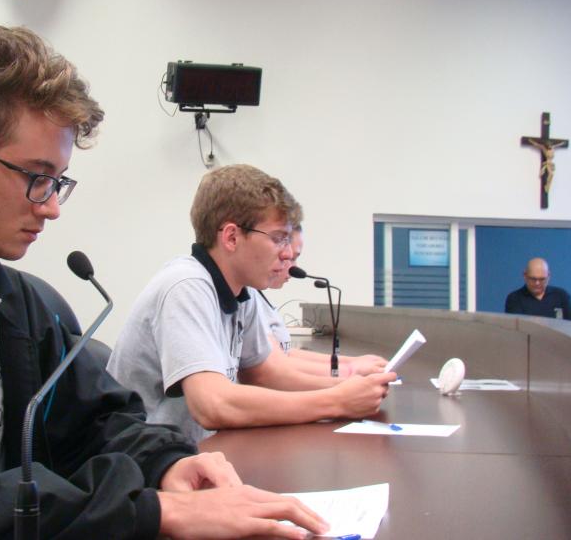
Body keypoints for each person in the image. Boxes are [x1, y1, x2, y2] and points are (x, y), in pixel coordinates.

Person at [0, 25, 326, 540]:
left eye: (57, 182)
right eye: (36, 178)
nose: (51, 208)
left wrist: (167, 464)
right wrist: (148, 511)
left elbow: (97, 422)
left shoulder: (21, 304)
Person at [107, 164, 396, 445]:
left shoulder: (240, 291)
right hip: (138, 461)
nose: (288, 254)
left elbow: (263, 372)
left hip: (188, 450)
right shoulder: (186, 286)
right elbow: (213, 404)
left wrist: (348, 388)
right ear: (232, 237)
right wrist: (336, 401)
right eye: (278, 238)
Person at [255, 226, 388, 377]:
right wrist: (349, 371)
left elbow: (284, 354)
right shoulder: (250, 301)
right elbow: (272, 369)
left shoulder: (257, 300)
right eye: (290, 258)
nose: (293, 267)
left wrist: (351, 362)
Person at [505, 257, 571, 323]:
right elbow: (515, 328)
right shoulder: (514, 298)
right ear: (525, 275)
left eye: (542, 279)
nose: (537, 283)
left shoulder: (561, 295)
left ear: (548, 276)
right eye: (533, 279)